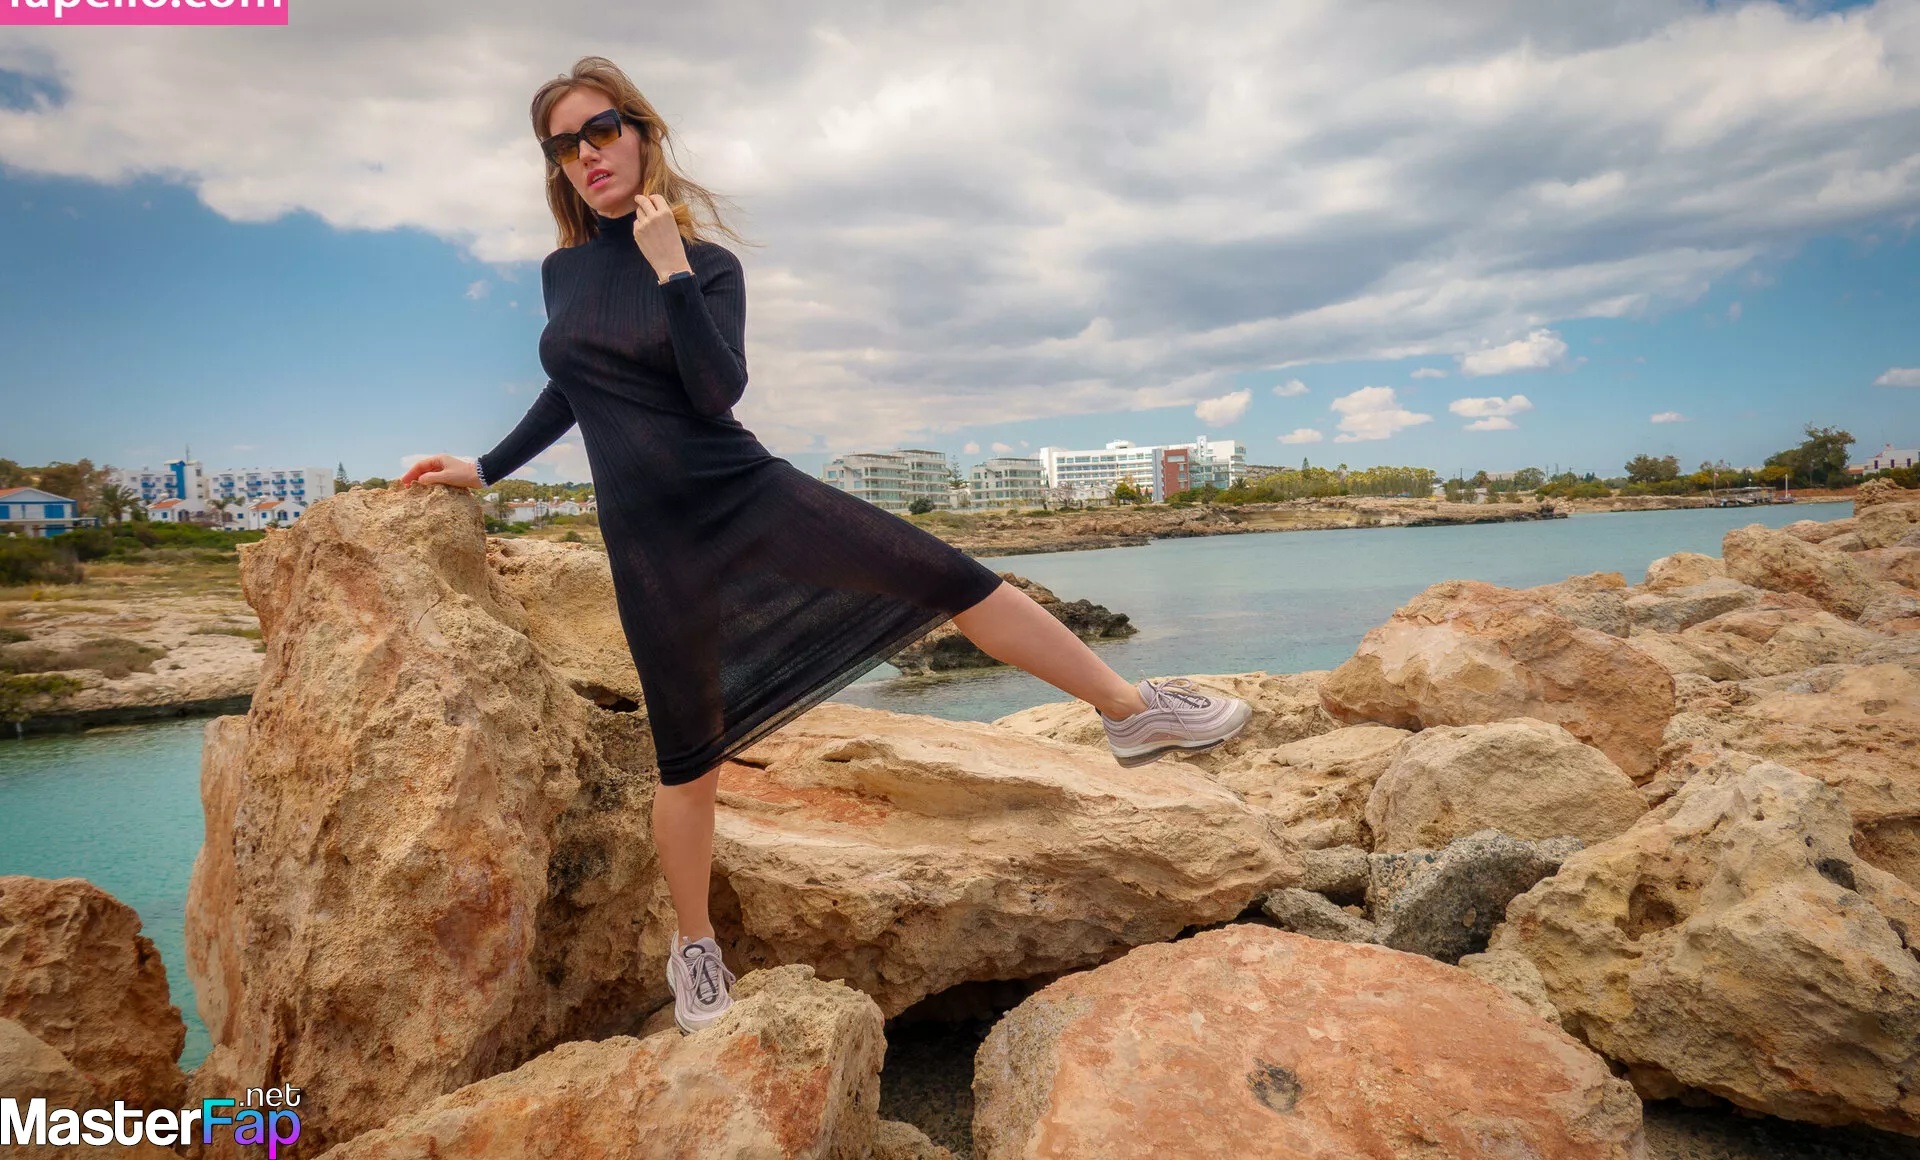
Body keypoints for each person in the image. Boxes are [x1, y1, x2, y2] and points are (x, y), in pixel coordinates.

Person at [399, 55, 1252, 1035]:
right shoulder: (564, 272)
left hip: (746, 491)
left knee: (952, 576)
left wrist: (671, 268)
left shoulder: (706, 263)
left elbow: (715, 390)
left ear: (641, 132)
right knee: (688, 757)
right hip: (651, 543)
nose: (585, 155)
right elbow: (572, 385)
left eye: (601, 131)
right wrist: (487, 466)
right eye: (563, 145)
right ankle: (695, 948)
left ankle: (1131, 710)